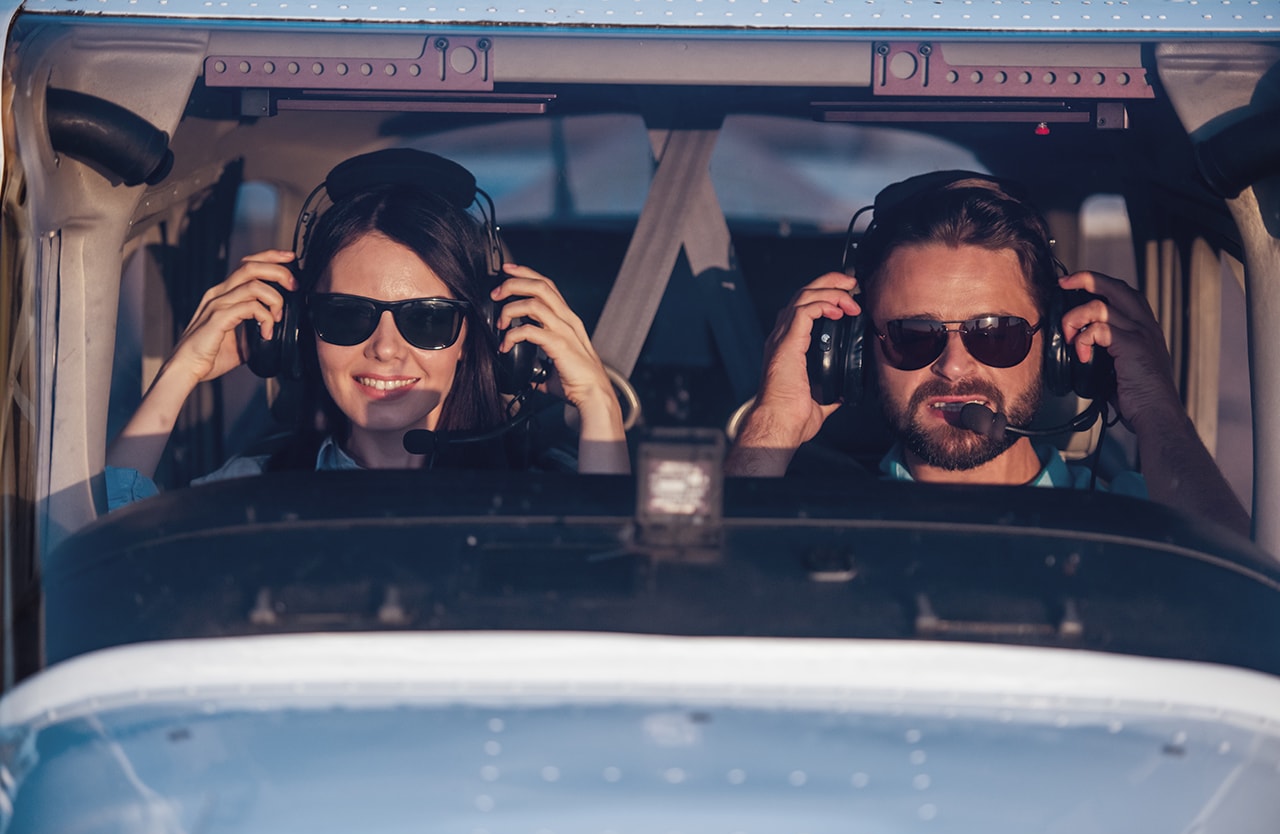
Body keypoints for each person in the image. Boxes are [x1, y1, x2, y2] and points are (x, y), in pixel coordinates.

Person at [725, 171, 1252, 538]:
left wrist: (1161, 414)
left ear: (1054, 346)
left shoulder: (1144, 522)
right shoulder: (800, 519)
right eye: (914, 334)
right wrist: (772, 425)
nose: (954, 366)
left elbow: (1249, 617)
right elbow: (698, 602)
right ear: (856, 351)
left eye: (996, 334)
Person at [106, 152, 629, 510]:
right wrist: (179, 375)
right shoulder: (252, 493)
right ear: (297, 330)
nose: (384, 348)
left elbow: (621, 591)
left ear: (483, 333)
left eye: (427, 318)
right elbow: (95, 571)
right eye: (347, 316)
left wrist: (598, 405)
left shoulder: (541, 495)